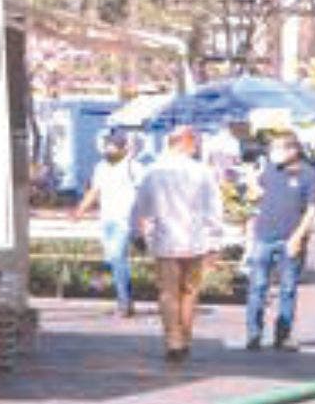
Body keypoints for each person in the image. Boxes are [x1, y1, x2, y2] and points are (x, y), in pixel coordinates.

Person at [132, 125, 227, 362]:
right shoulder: (201, 171)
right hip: (195, 239)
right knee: (189, 291)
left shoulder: (153, 171)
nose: (197, 147)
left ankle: (173, 340)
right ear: (185, 142)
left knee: (168, 292)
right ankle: (185, 337)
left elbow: (140, 206)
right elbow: (213, 208)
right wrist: (215, 240)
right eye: (195, 142)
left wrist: (137, 232)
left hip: (165, 238)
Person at [241, 134, 315, 351]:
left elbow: (312, 209)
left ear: (293, 150)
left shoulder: (308, 175)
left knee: (288, 288)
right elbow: (255, 196)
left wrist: (298, 237)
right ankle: (254, 334)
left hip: (290, 238)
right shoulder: (268, 170)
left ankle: (283, 335)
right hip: (264, 236)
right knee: (258, 287)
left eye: (278, 148)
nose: (273, 153)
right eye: (272, 149)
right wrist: (251, 180)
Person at [71, 131, 144, 318]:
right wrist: (80, 210)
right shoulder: (101, 167)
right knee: (112, 259)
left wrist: (142, 221)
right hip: (107, 220)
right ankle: (125, 300)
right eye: (107, 147)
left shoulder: (134, 167)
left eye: (112, 147)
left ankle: (124, 303)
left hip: (125, 220)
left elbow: (143, 195)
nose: (108, 150)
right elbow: (95, 191)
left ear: (123, 148)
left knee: (118, 258)